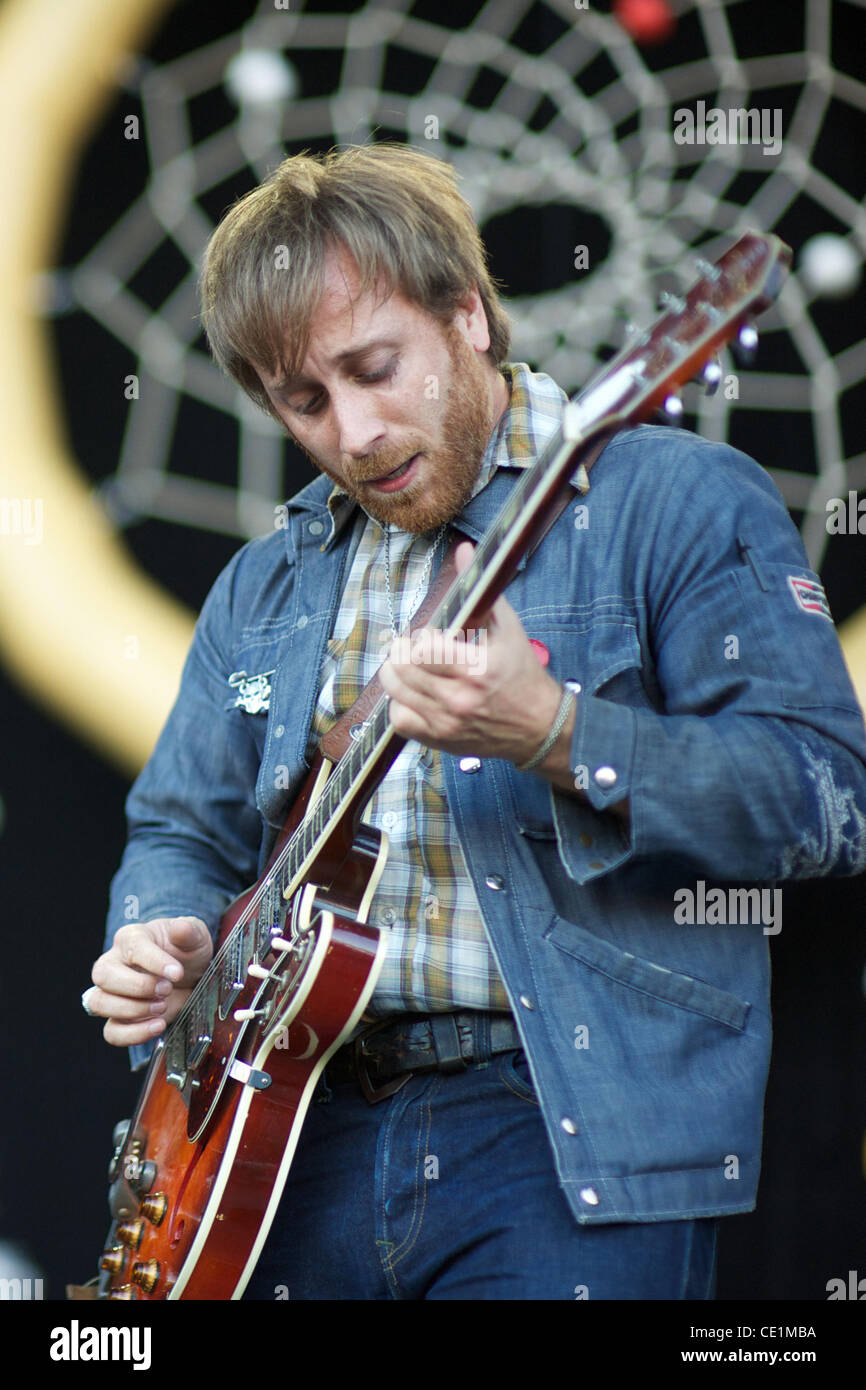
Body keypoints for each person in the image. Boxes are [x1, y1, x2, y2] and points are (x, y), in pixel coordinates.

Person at [86, 144, 866, 1300]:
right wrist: (162, 935)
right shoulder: (265, 583)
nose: (352, 432)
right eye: (306, 400)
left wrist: (555, 730)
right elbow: (178, 836)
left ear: (470, 315)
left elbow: (823, 803)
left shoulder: (674, 502)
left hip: (558, 1138)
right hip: (291, 1148)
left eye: (374, 367)